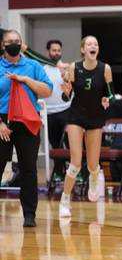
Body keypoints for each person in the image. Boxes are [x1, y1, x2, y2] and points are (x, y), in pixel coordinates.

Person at [0, 30, 53, 227]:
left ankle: (29, 214)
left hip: (27, 119)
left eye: (16, 41)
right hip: (2, 121)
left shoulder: (33, 65)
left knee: (29, 168)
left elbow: (47, 90)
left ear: (21, 44)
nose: (12, 44)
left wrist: (25, 80)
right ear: (2, 45)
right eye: (8, 41)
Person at [58, 36, 114, 219]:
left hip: (95, 118)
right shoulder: (75, 67)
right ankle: (65, 200)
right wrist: (66, 93)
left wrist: (107, 100)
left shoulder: (105, 69)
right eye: (89, 44)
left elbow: (111, 95)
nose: (93, 46)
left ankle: (93, 177)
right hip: (76, 116)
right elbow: (67, 97)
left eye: (96, 44)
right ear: (83, 49)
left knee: (92, 165)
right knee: (75, 162)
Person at [42, 40, 71, 178]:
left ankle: (76, 173)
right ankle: (59, 173)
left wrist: (65, 74)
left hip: (66, 110)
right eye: (54, 50)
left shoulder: (67, 68)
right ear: (48, 52)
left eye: (59, 50)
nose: (56, 53)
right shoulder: (43, 70)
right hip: (49, 113)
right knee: (55, 144)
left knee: (71, 143)